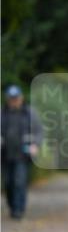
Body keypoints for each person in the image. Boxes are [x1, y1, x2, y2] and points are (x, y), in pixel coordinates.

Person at [1, 85, 40, 220]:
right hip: (5, 155)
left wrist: (35, 145)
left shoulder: (29, 113)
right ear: (7, 99)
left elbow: (39, 131)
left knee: (19, 181)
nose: (13, 101)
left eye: (16, 98)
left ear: (21, 98)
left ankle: (19, 209)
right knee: (8, 183)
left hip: (23, 155)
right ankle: (12, 206)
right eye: (11, 99)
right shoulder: (2, 113)